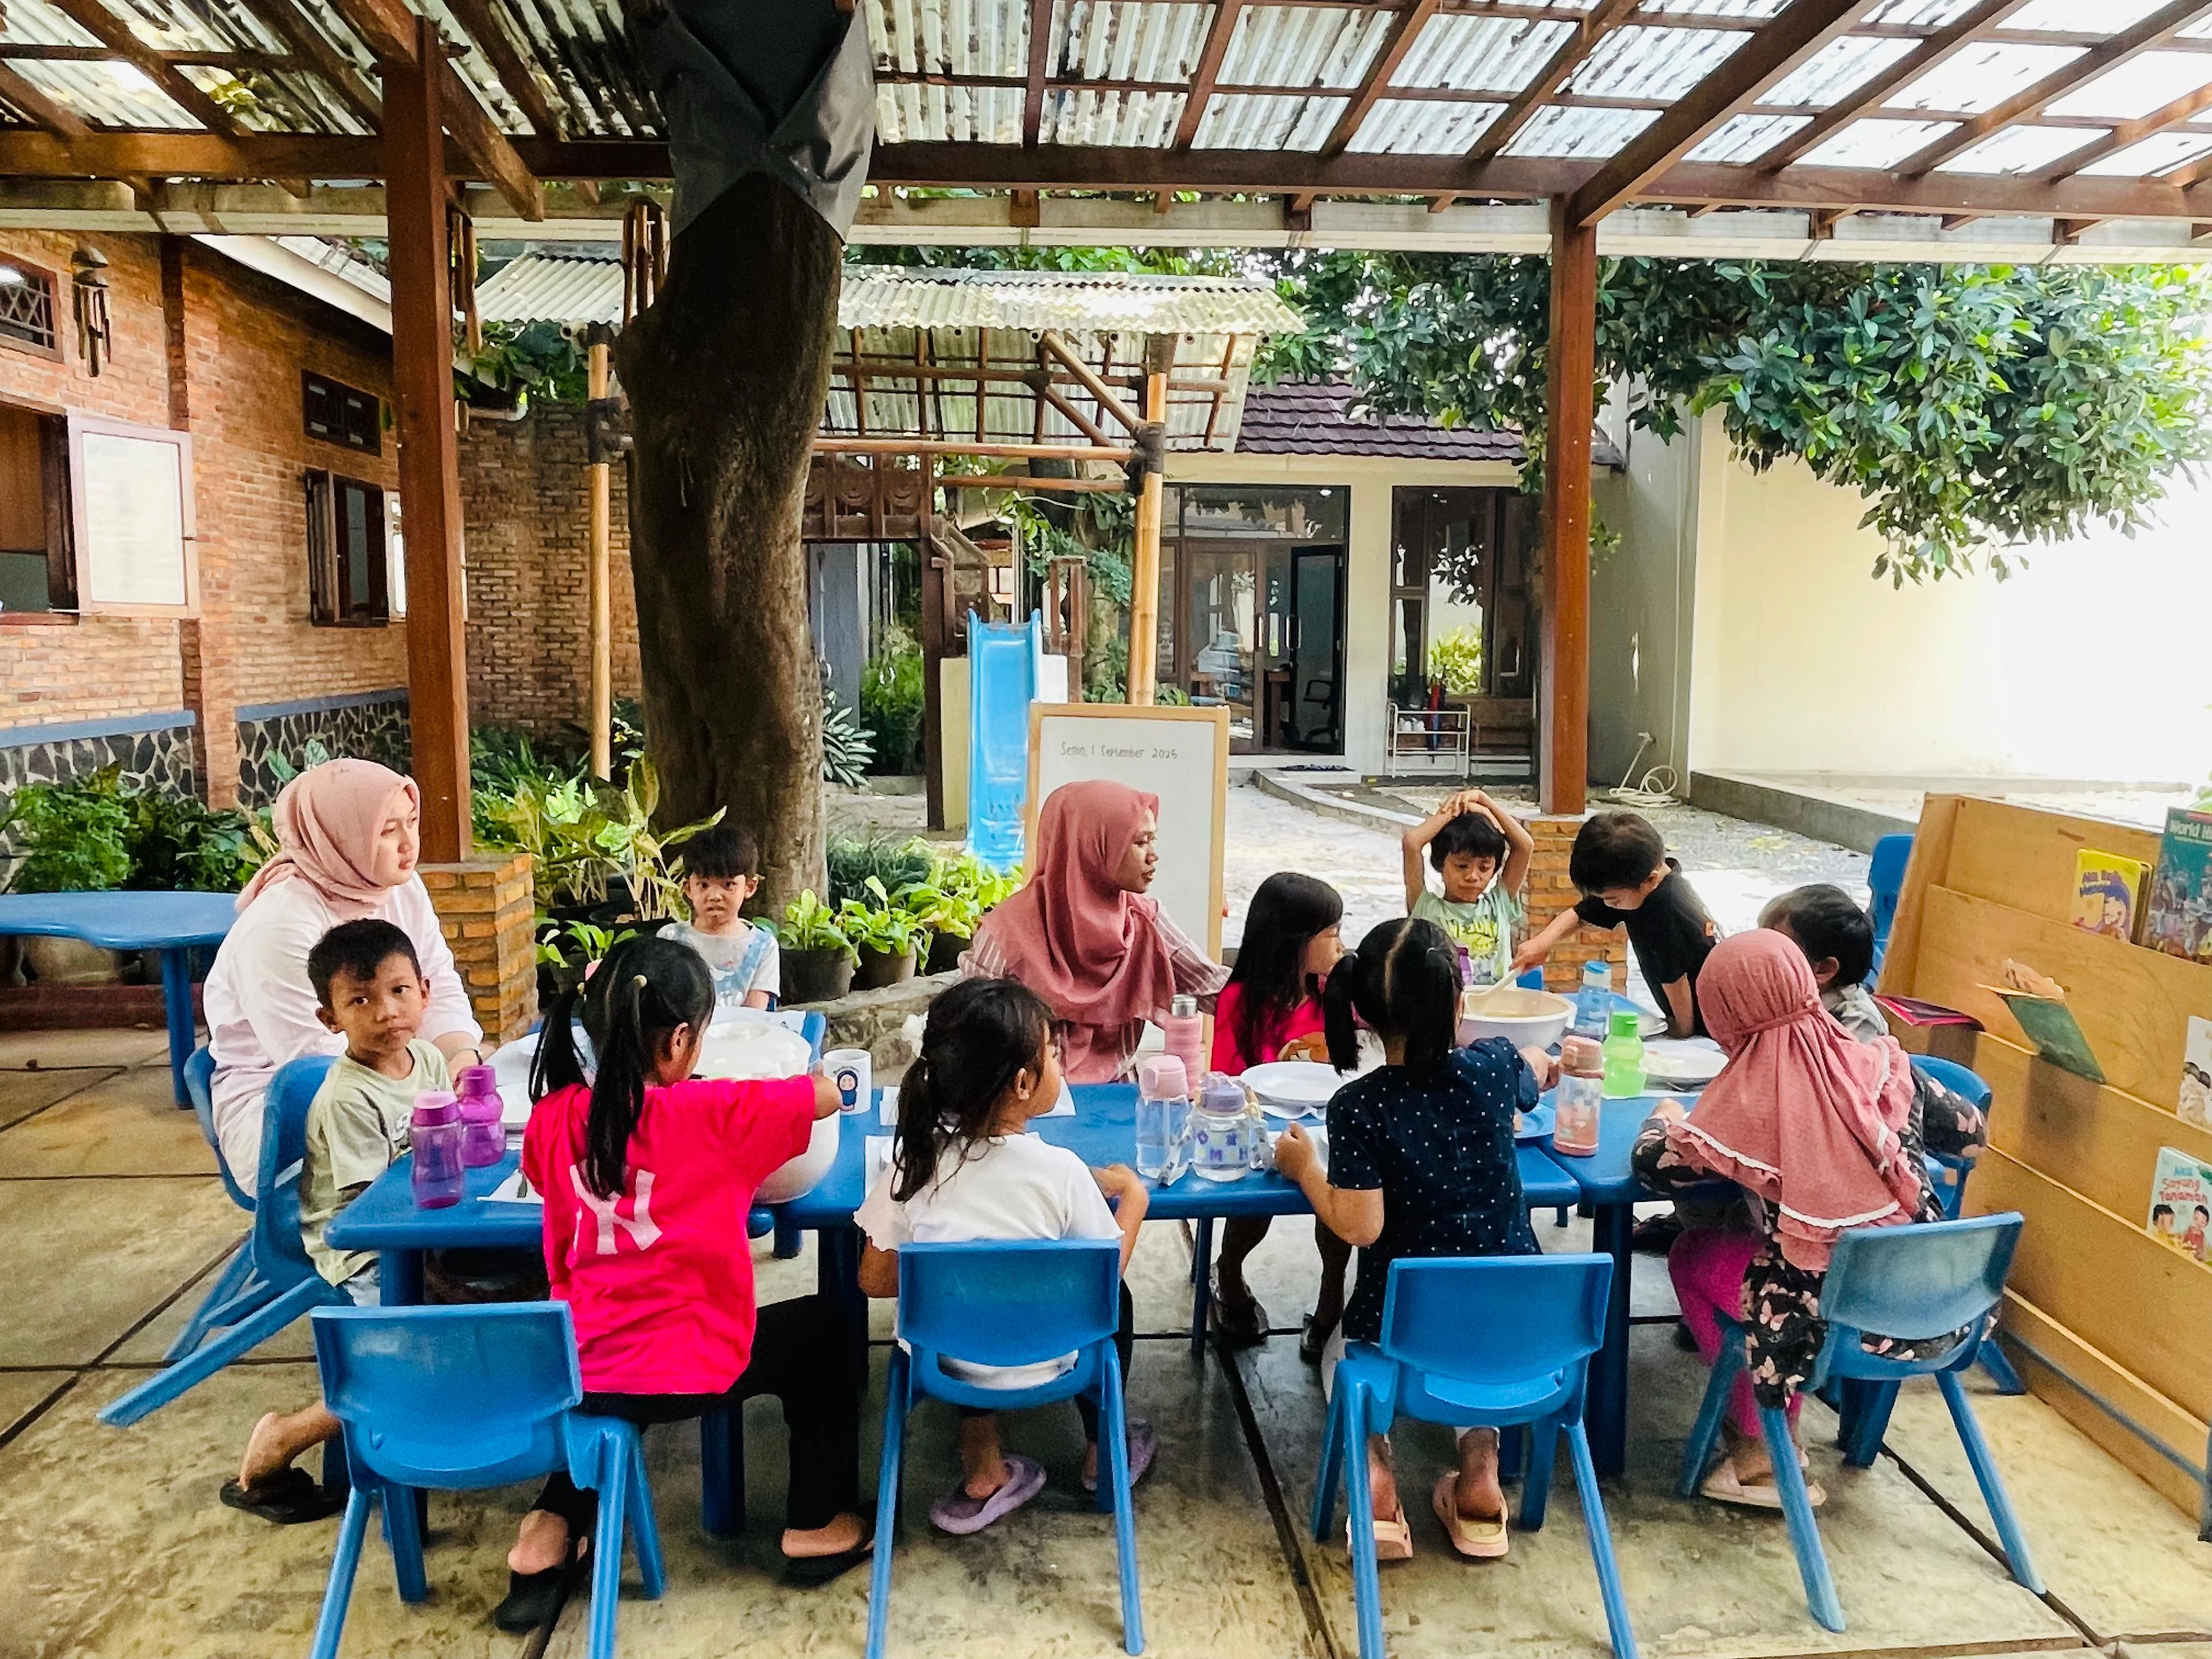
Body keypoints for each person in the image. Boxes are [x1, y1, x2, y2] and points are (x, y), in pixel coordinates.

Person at [499, 936, 864, 1629]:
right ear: (682, 1042)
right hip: (692, 1367)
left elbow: (554, 1180)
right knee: (822, 1329)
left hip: (579, 1365)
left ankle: (547, 1531)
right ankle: (816, 1521)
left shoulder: (551, 1120)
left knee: (610, 1384)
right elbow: (819, 1098)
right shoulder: (714, 1115)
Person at [1632, 932, 1956, 1509]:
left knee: (1695, 1252)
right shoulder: (1882, 1059)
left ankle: (1762, 1451)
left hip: (1827, 1324)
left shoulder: (1750, 1103)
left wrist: (1664, 1117)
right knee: (1773, 1253)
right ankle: (1771, 1434)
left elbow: (1655, 1169)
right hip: (1932, 1303)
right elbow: (1972, 1135)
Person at [1272, 918, 1556, 1562]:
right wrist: (1545, 1065)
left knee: (1339, 1359)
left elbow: (1359, 1225)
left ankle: (1374, 1476)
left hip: (1397, 1325)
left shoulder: (1359, 1106)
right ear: (1460, 1004)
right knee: (1475, 1356)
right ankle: (1479, 1474)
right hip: (1514, 1325)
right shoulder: (1492, 1069)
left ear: (1366, 1015)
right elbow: (1532, 1066)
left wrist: (1304, 1171)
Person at [855, 978, 1154, 1534]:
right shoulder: (1061, 1172)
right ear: (1023, 1084)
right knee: (1119, 1301)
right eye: (1053, 1054)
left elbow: (873, 1279)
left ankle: (984, 1469)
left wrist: (944, 1264)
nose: (1060, 1063)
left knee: (969, 1298)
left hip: (946, 1363)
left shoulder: (912, 1168)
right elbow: (1104, 1275)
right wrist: (1133, 1198)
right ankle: (1100, 1452)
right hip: (1058, 1361)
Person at [222, 919, 451, 1524]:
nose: (386, 1012)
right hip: (365, 1246)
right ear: (330, 1019)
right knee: (424, 1348)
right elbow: (371, 1211)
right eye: (361, 1000)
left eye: (399, 991)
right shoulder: (347, 1097)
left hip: (422, 1227)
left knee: (506, 1292)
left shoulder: (426, 1059)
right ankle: (284, 1439)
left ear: (425, 992)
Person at [205, 760, 482, 1194]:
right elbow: (320, 1058)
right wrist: (428, 1093)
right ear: (339, 837)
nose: (409, 844)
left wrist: (461, 1058)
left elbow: (436, 983)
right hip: (291, 1107)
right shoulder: (279, 928)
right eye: (387, 831)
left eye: (411, 822)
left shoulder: (397, 888)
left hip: (394, 1075)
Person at [963, 780, 1226, 1082]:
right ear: (1091, 847)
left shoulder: (1143, 921)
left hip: (1119, 1100)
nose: (1154, 856)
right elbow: (971, 1024)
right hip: (1031, 1105)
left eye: (1153, 841)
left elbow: (1215, 989)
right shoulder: (1007, 933)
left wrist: (1279, 977)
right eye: (1140, 843)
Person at [1207, 873, 1351, 1358]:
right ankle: (1229, 1273)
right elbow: (1225, 1080)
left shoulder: (1335, 993)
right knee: (1257, 1201)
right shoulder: (1240, 1001)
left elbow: (1354, 1059)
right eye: (1331, 935)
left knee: (1342, 1193)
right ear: (1294, 944)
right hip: (1258, 1129)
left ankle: (1332, 1299)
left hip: (1329, 1126)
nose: (1340, 944)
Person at [1514, 810, 1717, 1038]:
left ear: (1650, 880)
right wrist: (1542, 944)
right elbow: (1581, 913)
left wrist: (1682, 1032)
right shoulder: (1641, 881)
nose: (1608, 906)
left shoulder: (1664, 909)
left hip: (1710, 1023)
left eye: (1613, 900)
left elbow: (1675, 979)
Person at [1401, 789, 1533, 989]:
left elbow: (1525, 846)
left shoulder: (1499, 904)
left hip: (1496, 1009)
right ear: (1440, 864)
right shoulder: (1425, 907)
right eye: (1461, 866)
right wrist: (1455, 810)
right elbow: (1412, 843)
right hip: (1447, 1013)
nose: (1473, 876)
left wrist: (1484, 800)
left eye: (1484, 868)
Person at [663, 823, 779, 1018]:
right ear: (688, 889)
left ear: (750, 887)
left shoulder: (763, 947)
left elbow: (754, 1018)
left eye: (728, 885)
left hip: (738, 1039)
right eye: (704, 885)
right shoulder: (670, 939)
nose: (715, 896)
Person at [1759, 884, 1883, 1042]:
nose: (1760, 958)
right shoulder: (1786, 995)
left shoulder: (1857, 1021)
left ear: (1824, 969)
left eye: (1775, 953)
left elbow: (1834, 1066)